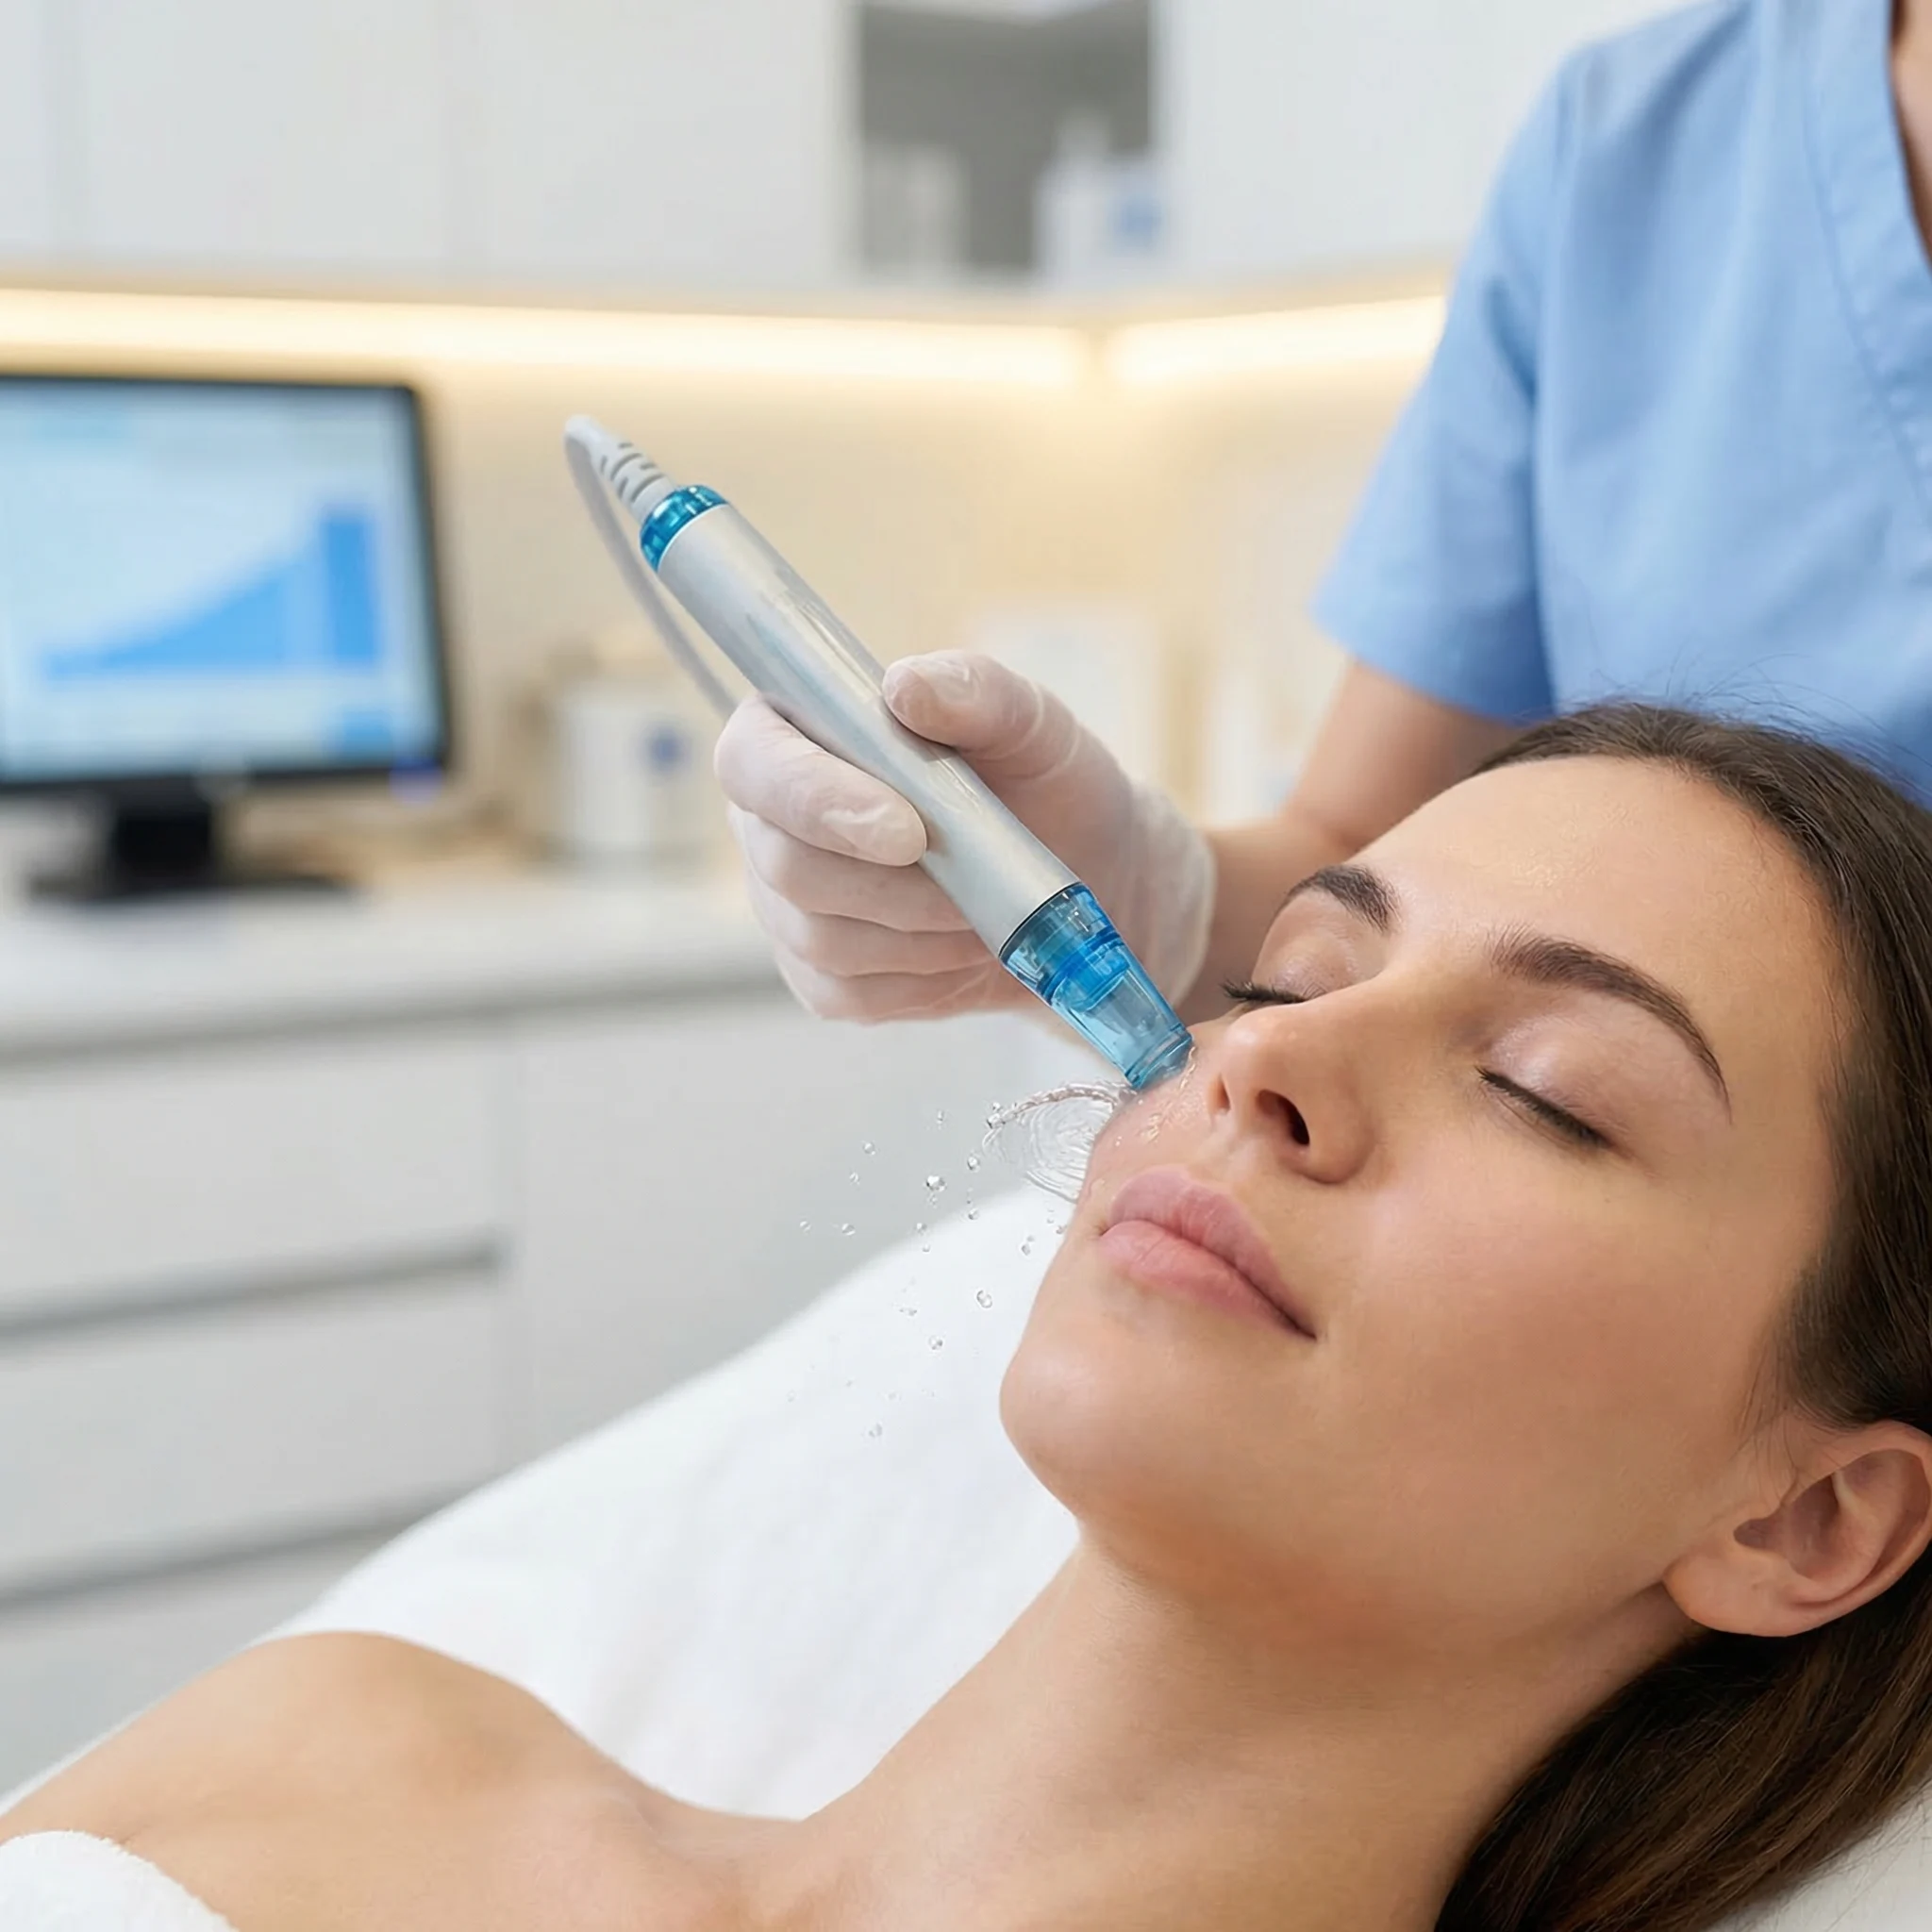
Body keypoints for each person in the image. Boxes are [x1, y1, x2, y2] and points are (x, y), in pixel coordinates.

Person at [11, 705, 1932, 1932]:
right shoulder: (345, 1734)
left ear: (1802, 1518)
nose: (1260, 1067)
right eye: (1283, 972)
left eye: (1544, 1089)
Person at [716, 0, 1932, 1034]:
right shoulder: (1633, 149)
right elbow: (1362, 847)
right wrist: (1143, 892)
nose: (1266, 1075)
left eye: (1552, 1098)